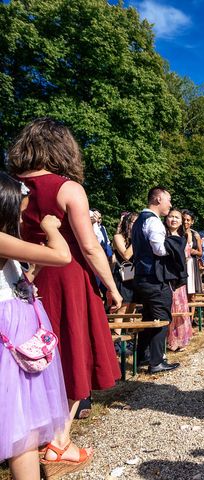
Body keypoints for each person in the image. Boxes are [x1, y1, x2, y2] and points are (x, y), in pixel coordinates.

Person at [9, 118, 121, 468]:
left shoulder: (10, 186)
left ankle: (30, 437)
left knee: (29, 358)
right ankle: (59, 441)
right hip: (68, 277)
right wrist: (113, 287)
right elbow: (89, 247)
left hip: (24, 278)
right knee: (74, 352)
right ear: (63, 148)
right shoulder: (67, 188)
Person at [0, 174, 74, 480]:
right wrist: (51, 228)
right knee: (19, 421)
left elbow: (13, 282)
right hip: (10, 338)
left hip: (17, 334)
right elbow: (63, 255)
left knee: (22, 422)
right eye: (17, 211)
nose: (20, 217)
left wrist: (30, 273)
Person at [131, 187, 180, 373]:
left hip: (141, 277)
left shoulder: (138, 221)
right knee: (162, 318)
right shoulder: (154, 221)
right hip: (154, 278)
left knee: (148, 316)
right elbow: (159, 249)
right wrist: (174, 247)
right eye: (168, 200)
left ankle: (144, 356)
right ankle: (157, 361)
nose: (170, 204)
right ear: (158, 199)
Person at [165, 209, 192, 352]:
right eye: (171, 217)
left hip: (180, 277)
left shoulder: (183, 237)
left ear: (181, 221)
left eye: (177, 217)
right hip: (168, 276)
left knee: (180, 306)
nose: (174, 220)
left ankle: (181, 338)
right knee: (171, 306)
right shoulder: (163, 235)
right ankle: (170, 340)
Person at [112, 212, 138, 314]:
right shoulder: (118, 237)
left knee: (132, 305)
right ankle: (117, 330)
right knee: (123, 306)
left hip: (135, 275)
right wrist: (136, 239)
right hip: (122, 275)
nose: (136, 225)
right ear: (127, 223)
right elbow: (126, 256)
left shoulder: (136, 239)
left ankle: (128, 329)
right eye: (133, 222)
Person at [181, 210, 203, 298]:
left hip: (192, 263)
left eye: (188, 220)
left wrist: (195, 252)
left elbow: (201, 253)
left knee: (192, 291)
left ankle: (192, 312)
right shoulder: (178, 233)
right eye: (184, 219)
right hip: (182, 263)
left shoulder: (196, 235)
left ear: (192, 222)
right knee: (183, 290)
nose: (185, 222)